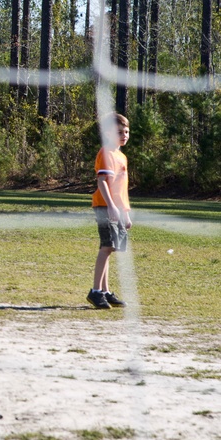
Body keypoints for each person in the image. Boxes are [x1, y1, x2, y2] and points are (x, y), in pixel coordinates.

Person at [88, 113, 131, 310]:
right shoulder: (106, 153)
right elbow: (102, 182)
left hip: (116, 208)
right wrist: (111, 206)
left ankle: (105, 291)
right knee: (106, 247)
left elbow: (121, 189)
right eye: (119, 132)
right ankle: (95, 292)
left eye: (126, 132)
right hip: (105, 206)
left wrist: (125, 212)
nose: (124, 135)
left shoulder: (121, 156)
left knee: (111, 247)